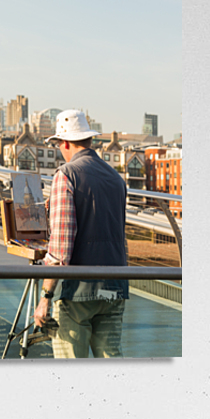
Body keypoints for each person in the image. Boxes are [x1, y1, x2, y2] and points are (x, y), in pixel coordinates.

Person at [32, 109, 129, 358]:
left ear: (64, 143)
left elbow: (61, 248)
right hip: (115, 285)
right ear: (88, 140)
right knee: (112, 363)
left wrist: (45, 297)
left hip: (78, 292)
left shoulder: (66, 175)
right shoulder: (116, 179)